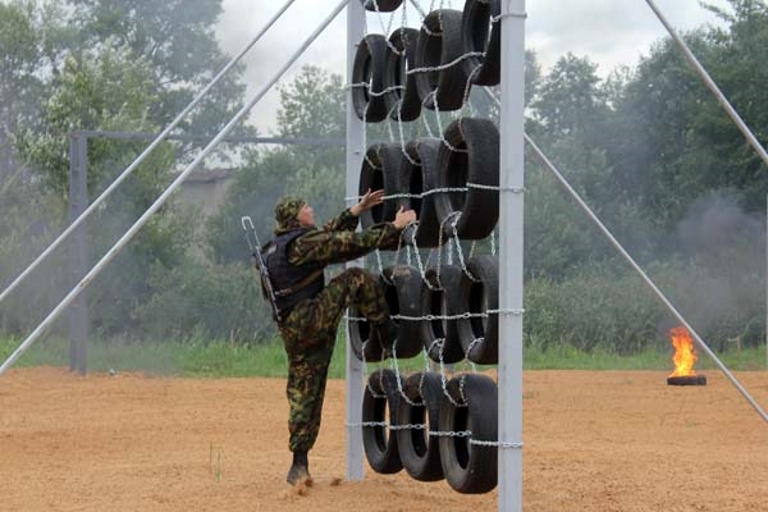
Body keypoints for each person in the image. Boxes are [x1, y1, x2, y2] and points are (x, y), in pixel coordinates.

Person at [260, 189, 417, 485]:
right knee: (356, 279)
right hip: (311, 318)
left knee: (305, 390)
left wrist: (356, 211)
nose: (311, 208)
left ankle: (299, 464)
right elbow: (347, 245)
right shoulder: (303, 243)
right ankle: (387, 331)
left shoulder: (277, 247)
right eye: (305, 206)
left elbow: (327, 235)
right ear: (295, 216)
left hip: (293, 330)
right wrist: (393, 228)